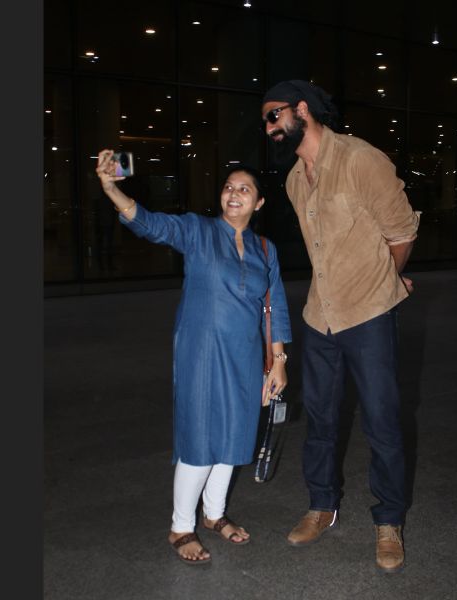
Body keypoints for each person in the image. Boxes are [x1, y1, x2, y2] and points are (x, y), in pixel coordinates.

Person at [95, 150, 292, 565]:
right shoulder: (198, 231)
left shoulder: (265, 248)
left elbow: (275, 305)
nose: (233, 194)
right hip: (200, 352)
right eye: (228, 187)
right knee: (200, 436)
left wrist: (278, 361)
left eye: (244, 189)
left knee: (235, 433)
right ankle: (181, 526)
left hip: (244, 355)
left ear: (259, 203)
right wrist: (112, 188)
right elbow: (149, 223)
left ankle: (214, 514)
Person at [260, 81, 420, 573]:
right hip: (320, 316)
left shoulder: (360, 160)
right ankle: (321, 505)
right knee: (321, 420)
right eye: (265, 120)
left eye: (274, 115)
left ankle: (389, 520)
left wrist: (385, 280)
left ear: (302, 109)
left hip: (368, 313)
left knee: (382, 422)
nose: (268, 127)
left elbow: (401, 233)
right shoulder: (294, 180)